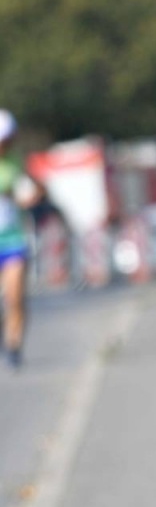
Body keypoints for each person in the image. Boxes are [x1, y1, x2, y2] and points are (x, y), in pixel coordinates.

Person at [0, 109, 43, 367]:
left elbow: (37, 186)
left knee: (15, 296)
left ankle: (14, 344)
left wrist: (28, 199)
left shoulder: (16, 160)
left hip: (13, 238)